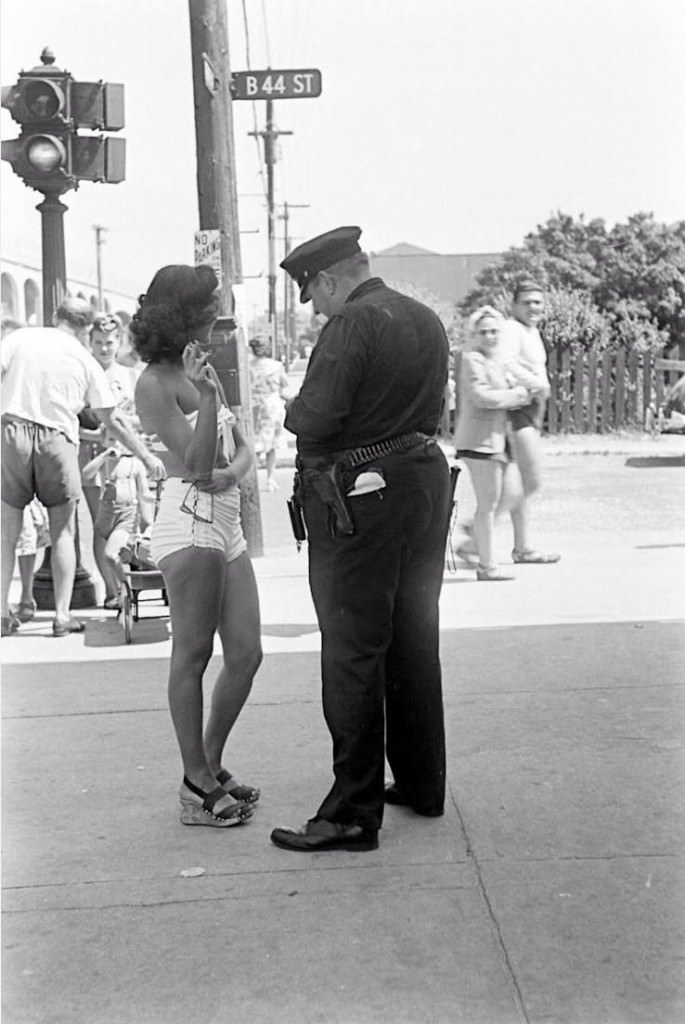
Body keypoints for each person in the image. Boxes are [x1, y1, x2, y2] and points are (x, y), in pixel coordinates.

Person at [271, 226, 452, 853]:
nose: (317, 308)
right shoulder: (424, 317)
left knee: (351, 650)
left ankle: (352, 812)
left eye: (313, 295)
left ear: (328, 279)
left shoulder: (351, 324)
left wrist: (295, 410)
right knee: (412, 634)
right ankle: (423, 783)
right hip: (425, 481)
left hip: (361, 497)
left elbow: (314, 417)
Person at [132, 264, 262, 828]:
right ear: (183, 318)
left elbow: (242, 451)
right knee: (193, 653)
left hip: (223, 519)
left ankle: (207, 763)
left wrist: (235, 474)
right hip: (189, 523)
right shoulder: (155, 383)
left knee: (247, 653)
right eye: (209, 312)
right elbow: (196, 461)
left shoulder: (199, 370)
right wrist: (208, 400)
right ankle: (196, 782)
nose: (217, 319)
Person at [1, 297, 165, 638]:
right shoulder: (83, 359)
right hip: (58, 438)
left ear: (55, 316)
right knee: (63, 530)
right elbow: (113, 418)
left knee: (7, 531)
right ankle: (62, 616)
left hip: (12, 431)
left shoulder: (19, 339)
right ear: (86, 328)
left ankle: (3, 612)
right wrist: (146, 457)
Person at [454, 307, 530, 580]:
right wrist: (516, 395)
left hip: (498, 439)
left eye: (494, 331)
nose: (489, 336)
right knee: (487, 504)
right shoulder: (471, 358)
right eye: (483, 332)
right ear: (473, 335)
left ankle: (473, 543)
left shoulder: (496, 359)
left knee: (513, 493)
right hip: (479, 441)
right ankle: (486, 566)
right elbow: (481, 397)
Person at [79, 311, 142, 607]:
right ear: (90, 343)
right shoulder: (82, 375)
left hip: (126, 458)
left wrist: (123, 425)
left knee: (131, 522)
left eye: (109, 342)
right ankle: (111, 589)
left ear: (119, 343)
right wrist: (99, 435)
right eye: (99, 342)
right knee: (101, 524)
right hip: (95, 457)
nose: (104, 348)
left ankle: (128, 581)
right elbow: (71, 423)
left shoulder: (129, 375)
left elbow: (142, 418)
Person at [497, 280, 560, 564]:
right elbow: (507, 363)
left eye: (538, 302)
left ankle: (522, 547)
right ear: (514, 305)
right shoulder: (512, 328)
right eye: (527, 302)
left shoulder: (530, 330)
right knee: (531, 480)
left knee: (520, 481)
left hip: (531, 408)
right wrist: (537, 384)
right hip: (518, 409)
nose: (533, 307)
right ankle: (475, 536)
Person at [81, 436, 154, 609]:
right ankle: (115, 592)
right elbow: (85, 475)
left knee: (111, 555)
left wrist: (150, 519)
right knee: (105, 555)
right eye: (112, 439)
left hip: (125, 517)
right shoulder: (104, 462)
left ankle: (123, 590)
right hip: (105, 515)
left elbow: (144, 494)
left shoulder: (134, 463)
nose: (117, 445)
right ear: (104, 440)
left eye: (121, 440)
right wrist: (105, 454)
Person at [248, 337, 289, 491]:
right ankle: (270, 479)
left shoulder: (248, 367)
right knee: (272, 445)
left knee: (256, 444)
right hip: (272, 405)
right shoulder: (276, 366)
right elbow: (284, 385)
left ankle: (252, 479)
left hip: (255, 405)